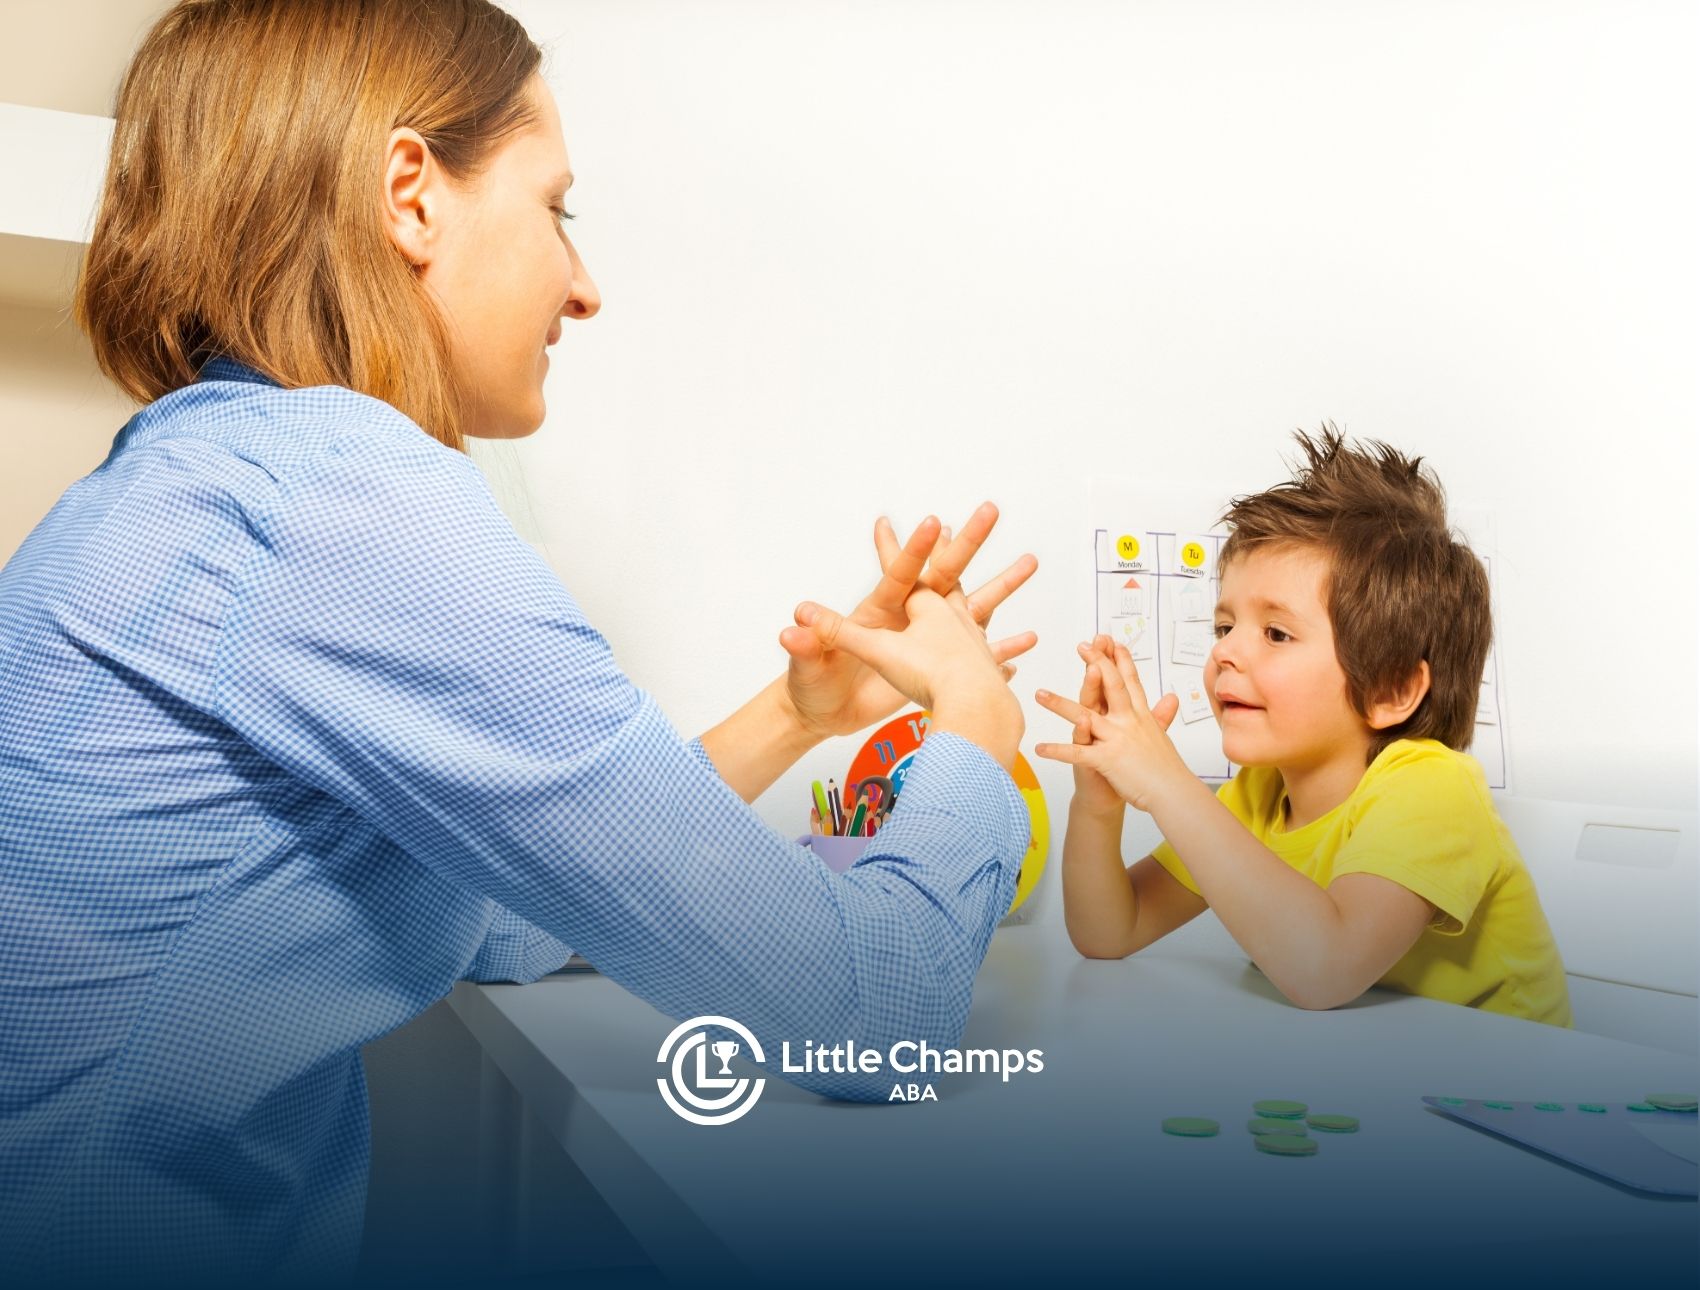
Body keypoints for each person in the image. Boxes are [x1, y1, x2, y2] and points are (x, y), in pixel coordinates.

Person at [0, 1, 1036, 1281]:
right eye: (559, 210)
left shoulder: (215, 481)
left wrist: (795, 714)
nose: (584, 286)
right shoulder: (341, 498)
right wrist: (977, 740)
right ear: (410, 196)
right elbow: (873, 1019)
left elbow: (499, 916)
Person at [1037, 428, 1571, 1026]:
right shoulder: (1258, 796)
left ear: (1391, 690)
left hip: (1507, 1095)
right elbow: (1111, 931)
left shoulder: (1435, 790)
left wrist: (1167, 785)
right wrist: (1098, 807)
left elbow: (1325, 969)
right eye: (1223, 627)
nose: (1225, 654)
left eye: (1276, 633)